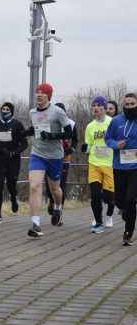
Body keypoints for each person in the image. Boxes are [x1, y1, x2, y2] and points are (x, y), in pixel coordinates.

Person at [24, 83, 72, 237]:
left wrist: (52, 136)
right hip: (37, 153)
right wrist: (24, 132)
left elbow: (69, 133)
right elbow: (36, 129)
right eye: (37, 92)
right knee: (35, 186)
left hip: (55, 156)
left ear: (48, 96)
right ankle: (36, 224)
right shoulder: (32, 112)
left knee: (55, 189)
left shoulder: (57, 112)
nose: (39, 95)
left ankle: (58, 206)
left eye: (42, 93)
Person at [0, 102, 27, 224]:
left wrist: (14, 152)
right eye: (2, 109)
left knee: (11, 184)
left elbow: (24, 144)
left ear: (12, 111)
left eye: (7, 109)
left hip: (13, 160)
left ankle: (13, 198)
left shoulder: (17, 125)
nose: (4, 111)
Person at [105, 93, 137, 246]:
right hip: (119, 165)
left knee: (131, 199)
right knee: (119, 201)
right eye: (127, 104)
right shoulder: (116, 120)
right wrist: (115, 145)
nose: (129, 107)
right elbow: (108, 138)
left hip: (135, 167)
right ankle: (125, 211)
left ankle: (128, 233)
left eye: (132, 104)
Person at [81, 95, 114, 233]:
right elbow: (89, 145)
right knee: (95, 194)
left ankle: (109, 213)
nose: (95, 108)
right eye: (93, 106)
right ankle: (98, 223)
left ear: (104, 108)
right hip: (94, 162)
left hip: (109, 164)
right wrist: (85, 148)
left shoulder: (112, 123)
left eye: (98, 105)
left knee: (108, 197)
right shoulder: (90, 126)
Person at [45, 102, 78, 216]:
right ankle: (51, 200)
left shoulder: (71, 124)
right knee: (49, 185)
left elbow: (75, 140)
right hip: (50, 157)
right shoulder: (49, 122)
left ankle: (59, 211)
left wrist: (71, 149)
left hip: (64, 159)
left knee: (61, 185)